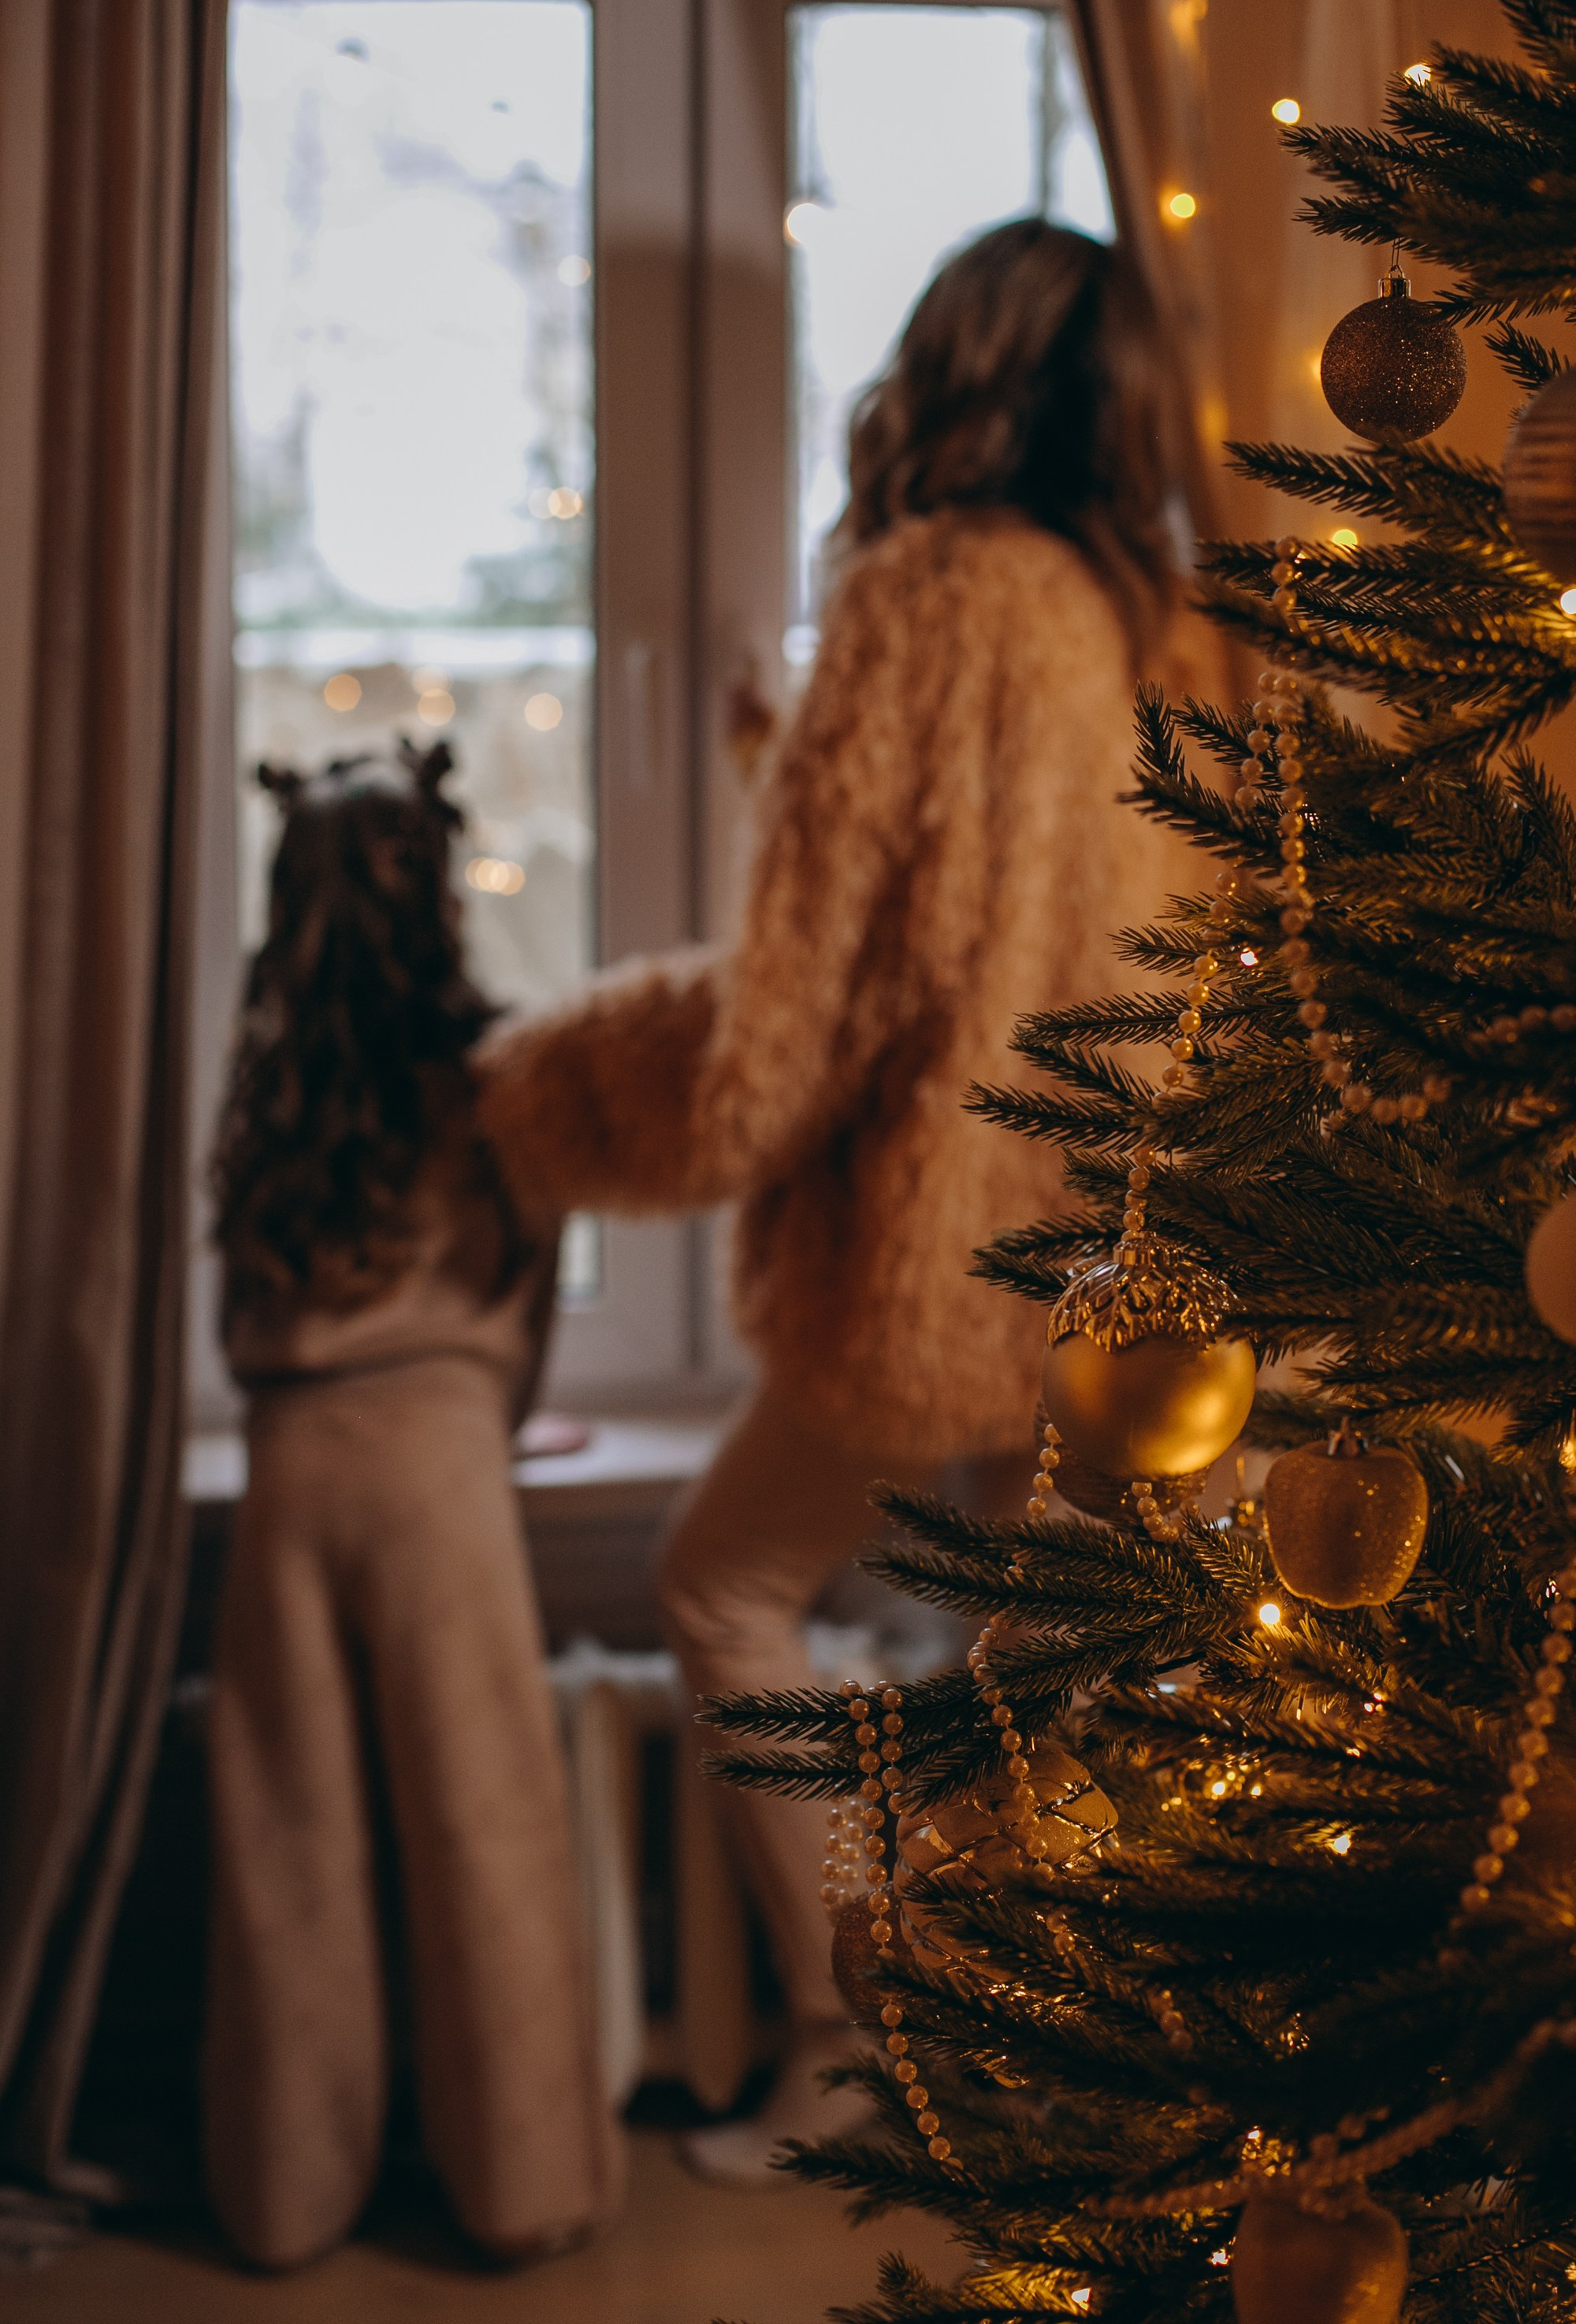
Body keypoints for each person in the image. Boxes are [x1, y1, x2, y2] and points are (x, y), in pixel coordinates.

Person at [474, 218, 1206, 2183]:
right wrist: (770, 761)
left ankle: (854, 2046)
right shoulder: (1144, 611)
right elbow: (994, 920)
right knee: (1050, 1676)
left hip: (943, 1256)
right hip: (1129, 1272)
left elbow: (784, 1044)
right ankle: (1038, 2086)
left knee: (721, 1586)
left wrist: (545, 1085)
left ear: (945, 370)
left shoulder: (918, 597)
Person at [205, 743, 619, 2267]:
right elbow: (521, 1313)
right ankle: (523, 2186)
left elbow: (237, 1318)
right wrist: (479, 1413)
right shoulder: (497, 1082)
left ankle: (281, 2194)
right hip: (442, 1462)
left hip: (289, 1473)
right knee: (484, 1825)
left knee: (284, 1845)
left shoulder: (268, 1092)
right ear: (436, 892)